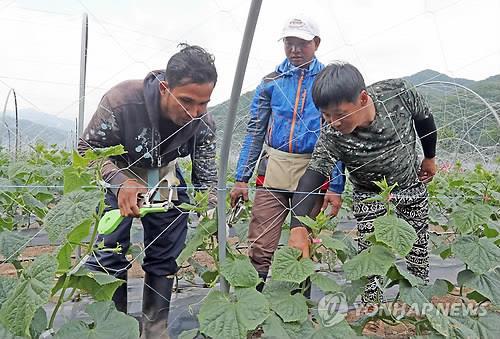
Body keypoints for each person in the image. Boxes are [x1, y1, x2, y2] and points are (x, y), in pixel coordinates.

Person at [78, 44, 218, 338]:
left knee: (165, 255)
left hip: (165, 175)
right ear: (165, 88)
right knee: (109, 254)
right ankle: (114, 329)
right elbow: (86, 152)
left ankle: (154, 330)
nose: (194, 112)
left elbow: (206, 176)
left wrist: (212, 210)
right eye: (187, 102)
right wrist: (119, 182)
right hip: (117, 174)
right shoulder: (122, 101)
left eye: (203, 103)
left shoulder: (202, 122)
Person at [288, 62, 437, 303]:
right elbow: (313, 176)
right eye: (326, 115)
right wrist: (297, 226)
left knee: (417, 250)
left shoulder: (398, 93)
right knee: (370, 258)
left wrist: (429, 157)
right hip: (369, 195)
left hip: (410, 186)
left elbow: (425, 120)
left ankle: (418, 305)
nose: (334, 122)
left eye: (339, 114)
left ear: (363, 98)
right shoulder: (332, 135)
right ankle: (372, 310)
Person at [230, 15, 346, 289]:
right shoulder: (271, 81)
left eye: (301, 44)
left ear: (316, 43)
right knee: (261, 242)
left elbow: (338, 133)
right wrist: (240, 179)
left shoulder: (327, 80)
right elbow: (255, 131)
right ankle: (252, 306)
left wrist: (337, 185)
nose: (294, 49)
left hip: (315, 168)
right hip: (275, 166)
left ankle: (298, 310)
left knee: (301, 244)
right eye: (289, 43)